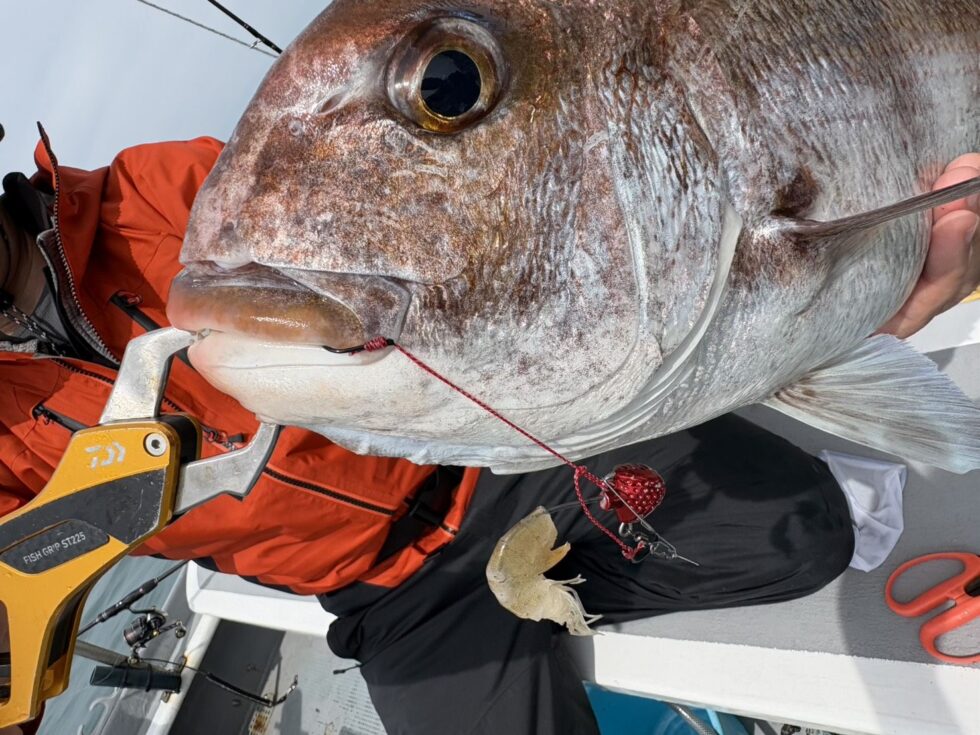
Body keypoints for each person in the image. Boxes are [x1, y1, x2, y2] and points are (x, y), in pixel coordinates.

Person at [0, 121, 977, 734]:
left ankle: (577, 556)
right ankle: (546, 588)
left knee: (798, 533)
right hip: (389, 599)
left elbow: (418, 221)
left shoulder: (156, 188)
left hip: (504, 455)